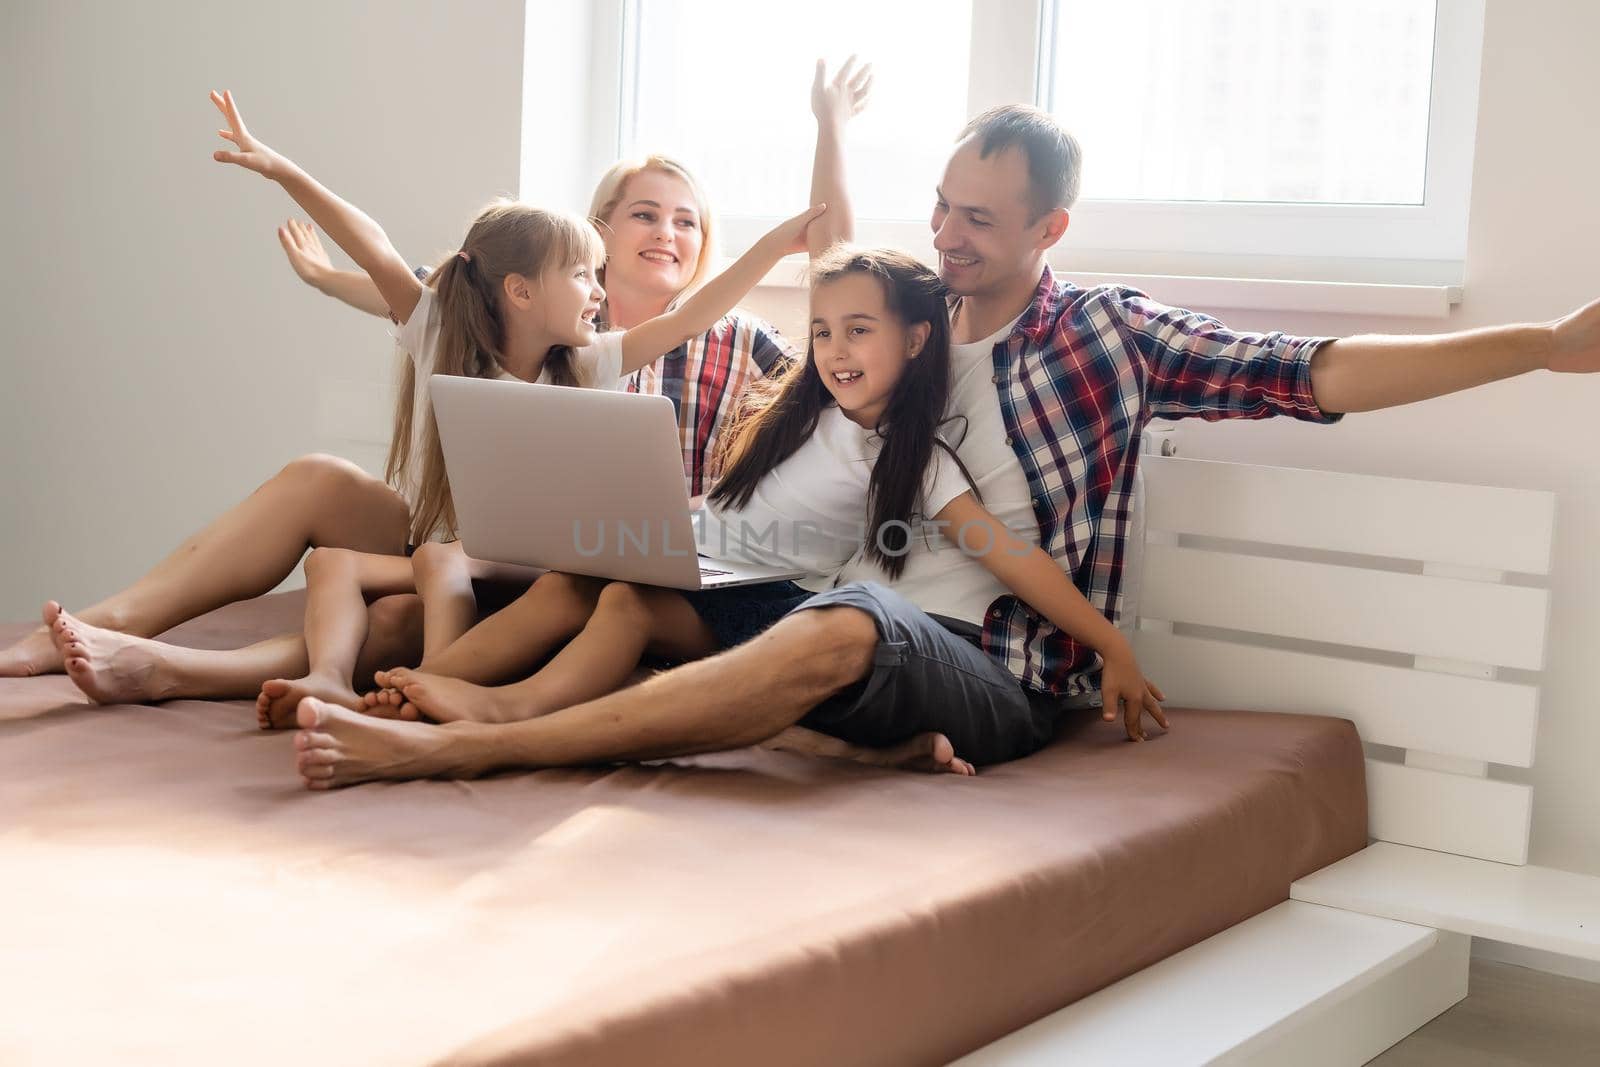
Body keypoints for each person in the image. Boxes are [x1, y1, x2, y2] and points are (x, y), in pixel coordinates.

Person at [289, 64, 1600, 789]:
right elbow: (833, 250)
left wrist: (1539, 348)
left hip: (1004, 666)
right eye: (943, 204)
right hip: (838, 611)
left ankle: (470, 745)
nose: (950, 231)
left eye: (981, 215)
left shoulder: (1107, 337)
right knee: (650, 580)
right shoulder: (906, 321)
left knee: (847, 618)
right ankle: (445, 678)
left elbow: (1314, 371)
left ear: (1050, 229)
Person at [43, 91, 823, 727]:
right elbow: (377, 251)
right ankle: (115, 624)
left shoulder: (591, 361)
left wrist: (779, 242)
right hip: (443, 544)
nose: (598, 293)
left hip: (520, 573)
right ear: (519, 292)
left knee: (390, 619)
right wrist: (283, 170)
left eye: (597, 277)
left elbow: (688, 318)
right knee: (325, 495)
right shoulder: (448, 330)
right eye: (585, 275)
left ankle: (201, 673)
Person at [355, 248, 1164, 768]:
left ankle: (505, 711)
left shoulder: (913, 463)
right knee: (592, 585)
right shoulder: (794, 415)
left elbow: (1009, 555)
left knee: (619, 598)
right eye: (821, 332)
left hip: (772, 603)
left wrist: (1108, 646)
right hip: (705, 569)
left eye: (857, 332)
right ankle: (411, 687)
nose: (835, 351)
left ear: (917, 341)